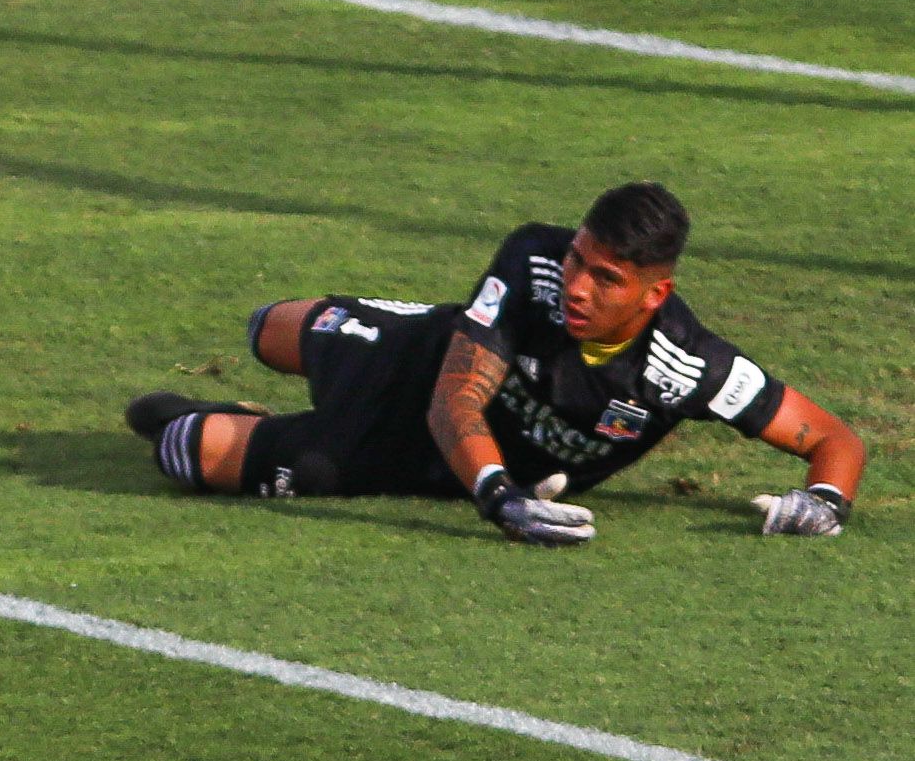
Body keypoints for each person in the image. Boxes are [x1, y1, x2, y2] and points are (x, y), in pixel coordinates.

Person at [126, 181, 864, 546]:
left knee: (184, 452)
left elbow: (833, 441)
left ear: (653, 294)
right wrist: (498, 498)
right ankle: (310, 368)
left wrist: (822, 505)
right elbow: (455, 400)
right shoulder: (534, 258)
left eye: (604, 279)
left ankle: (240, 426)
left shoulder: (685, 366)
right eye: (578, 259)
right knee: (269, 329)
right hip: (421, 365)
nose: (575, 285)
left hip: (418, 458)